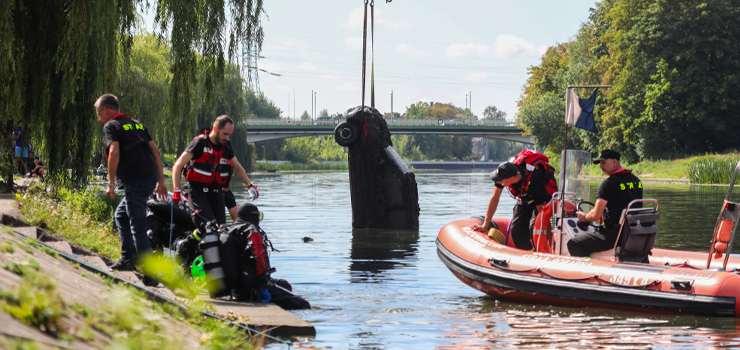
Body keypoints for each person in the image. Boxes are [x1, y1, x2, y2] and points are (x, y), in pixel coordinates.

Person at [95, 94, 168, 286]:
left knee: (138, 226)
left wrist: (110, 183)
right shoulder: (137, 124)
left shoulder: (111, 126)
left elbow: (114, 152)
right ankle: (127, 259)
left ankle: (151, 273)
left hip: (136, 180)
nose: (98, 117)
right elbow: (155, 152)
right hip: (148, 178)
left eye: (98, 113)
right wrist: (160, 181)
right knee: (121, 215)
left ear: (106, 110)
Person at [171, 115, 258, 232]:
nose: (227, 138)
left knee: (221, 230)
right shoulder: (199, 143)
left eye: (229, 135)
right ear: (216, 129)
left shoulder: (226, 146)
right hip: (197, 192)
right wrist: (176, 190)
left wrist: (249, 185)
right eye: (225, 134)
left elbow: (237, 167)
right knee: (209, 227)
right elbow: (178, 165)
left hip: (216, 192)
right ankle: (188, 244)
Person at [471, 151, 557, 250]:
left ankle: (543, 251)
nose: (498, 182)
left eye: (500, 180)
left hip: (542, 197)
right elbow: (495, 199)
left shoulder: (534, 179)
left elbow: (542, 213)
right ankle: (528, 253)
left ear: (511, 178)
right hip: (525, 197)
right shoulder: (504, 175)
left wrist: (551, 240)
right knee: (516, 229)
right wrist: (485, 225)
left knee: (535, 226)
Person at [568, 149, 643, 257]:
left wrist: (584, 217)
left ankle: (586, 272)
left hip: (613, 236)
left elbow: (596, 215)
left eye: (603, 163)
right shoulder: (636, 180)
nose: (600, 166)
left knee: (574, 243)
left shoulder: (608, 184)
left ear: (614, 162)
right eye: (600, 163)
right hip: (633, 233)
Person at [220, 202, 271, 302]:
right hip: (252, 288)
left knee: (283, 284)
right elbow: (258, 258)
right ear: (253, 216)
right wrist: (262, 287)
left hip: (237, 287)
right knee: (301, 303)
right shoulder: (252, 230)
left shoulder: (230, 230)